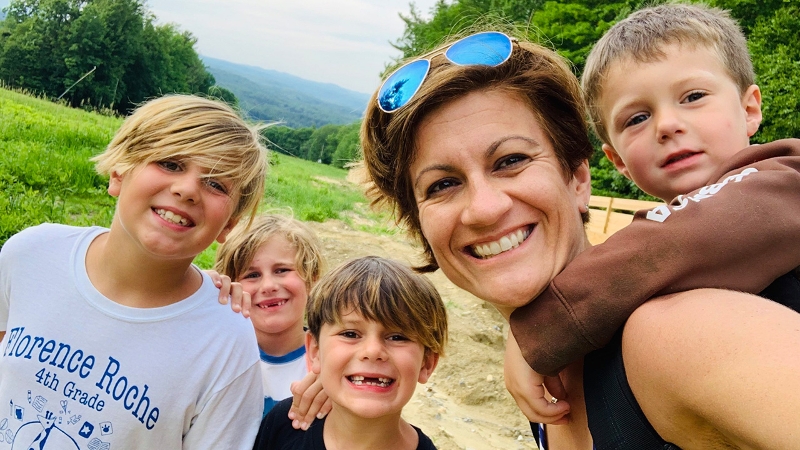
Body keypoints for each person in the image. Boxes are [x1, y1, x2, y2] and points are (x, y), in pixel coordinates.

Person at [358, 24, 800, 449]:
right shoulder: (547, 377)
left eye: (510, 160)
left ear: (578, 180)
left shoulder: (675, 335)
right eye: (442, 185)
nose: (484, 208)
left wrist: (541, 327)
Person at [509, 3, 800, 380]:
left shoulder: (789, 173)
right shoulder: (660, 255)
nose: (667, 125)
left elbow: (692, 234)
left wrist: (540, 330)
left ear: (749, 109)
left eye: (693, 96)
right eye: (637, 118)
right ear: (619, 163)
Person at [0, 94, 267, 448]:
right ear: (119, 173)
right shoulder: (30, 253)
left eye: (216, 184)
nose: (187, 189)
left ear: (228, 225)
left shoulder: (227, 342)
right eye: (170, 164)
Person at [253, 256, 446, 450]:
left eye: (397, 337)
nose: (372, 351)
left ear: (427, 363)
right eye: (350, 334)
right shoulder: (284, 424)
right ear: (315, 351)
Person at [214, 213, 326, 417]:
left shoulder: (330, 364)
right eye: (252, 275)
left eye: (282, 270)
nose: (268, 286)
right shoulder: (218, 357)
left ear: (312, 281)